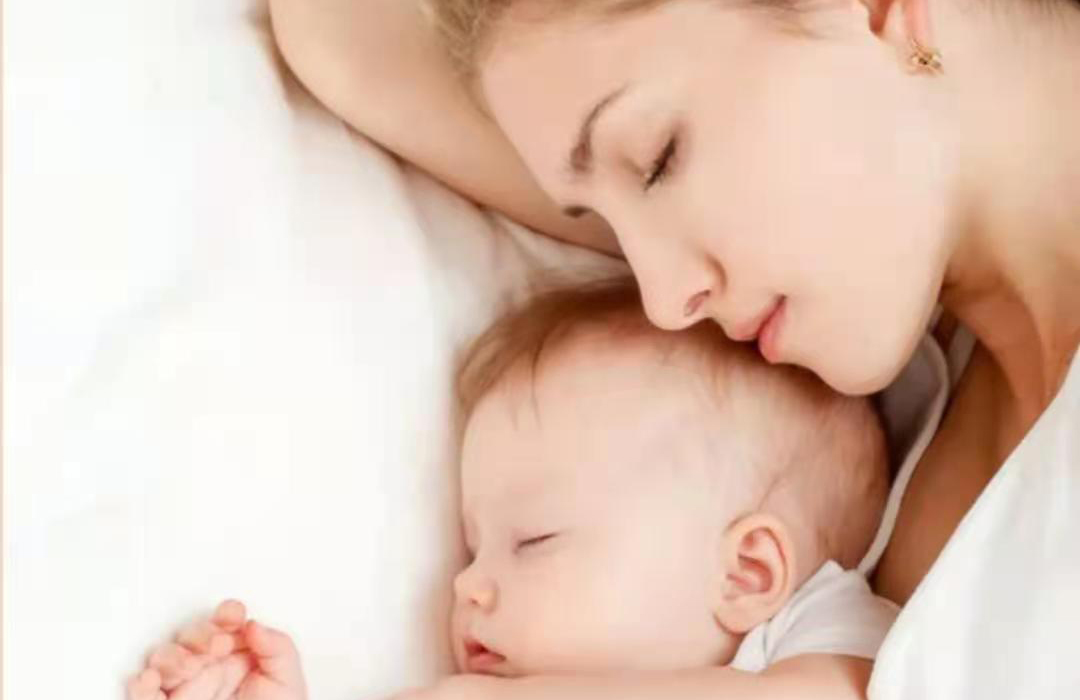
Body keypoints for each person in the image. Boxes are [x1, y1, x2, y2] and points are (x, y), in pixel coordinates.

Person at [267, 0, 1080, 610]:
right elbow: (337, 30)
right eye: (604, 221)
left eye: (656, 162)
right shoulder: (920, 394)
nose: (663, 303)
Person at [128, 279, 899, 700]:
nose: (467, 585)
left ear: (747, 572)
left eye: (534, 540)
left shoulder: (818, 641)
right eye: (475, 547)